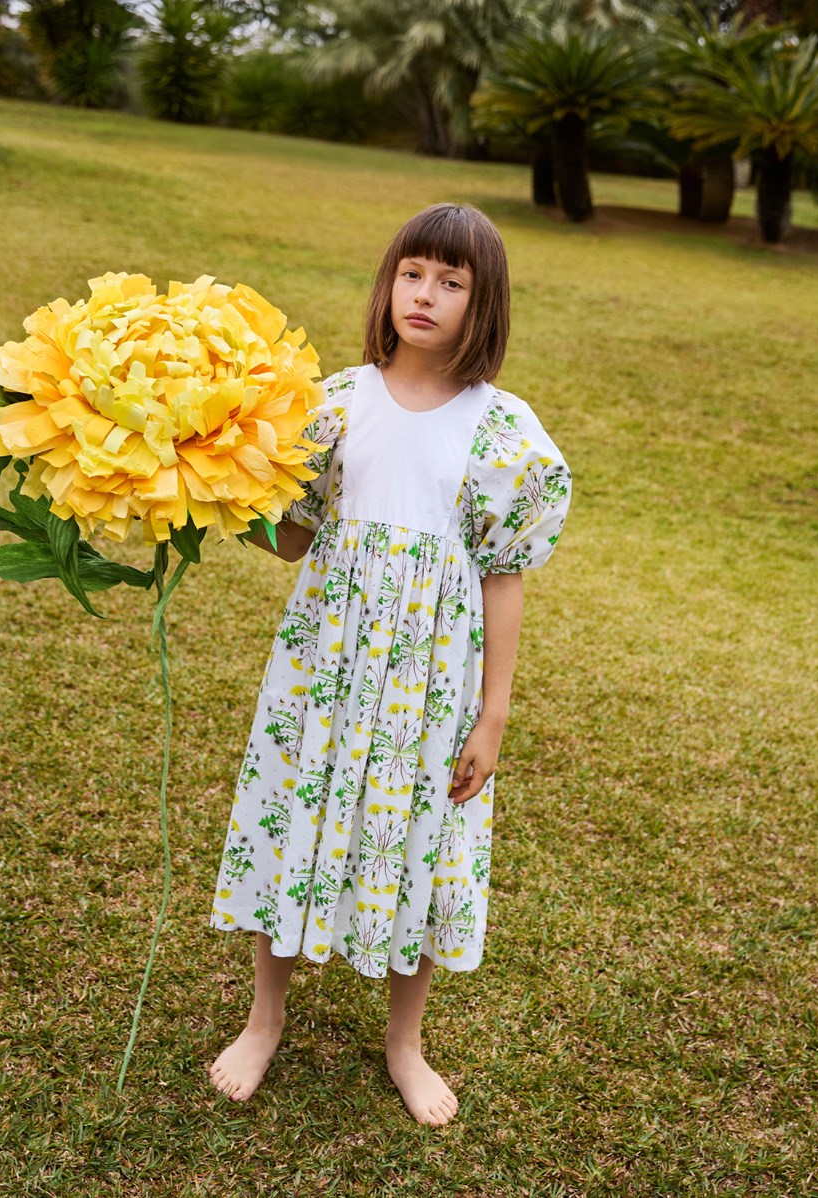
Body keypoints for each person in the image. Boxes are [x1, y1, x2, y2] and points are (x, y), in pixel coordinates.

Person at [208, 203, 571, 1126]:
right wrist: (224, 483)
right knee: (296, 819)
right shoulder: (334, 402)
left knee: (419, 840)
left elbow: (504, 578)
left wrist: (491, 716)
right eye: (415, 272)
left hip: (427, 689)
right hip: (323, 673)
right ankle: (265, 1015)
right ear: (388, 282)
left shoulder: (503, 433)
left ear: (482, 307)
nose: (428, 294)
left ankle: (404, 1043)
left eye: (454, 283)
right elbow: (293, 540)